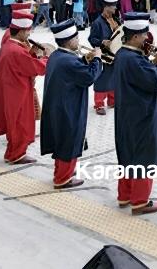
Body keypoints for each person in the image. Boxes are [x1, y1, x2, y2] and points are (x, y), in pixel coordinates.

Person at [113, 12, 157, 214]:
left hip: (127, 114)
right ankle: (140, 201)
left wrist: (152, 63)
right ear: (136, 36)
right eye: (145, 35)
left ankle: (125, 195)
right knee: (144, 157)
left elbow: (142, 76)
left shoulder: (122, 54)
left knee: (127, 154)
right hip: (142, 116)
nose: (147, 38)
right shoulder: (134, 60)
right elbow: (156, 82)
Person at [40, 20, 103, 188]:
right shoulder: (68, 61)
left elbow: (75, 68)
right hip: (69, 108)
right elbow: (89, 77)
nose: (78, 40)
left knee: (62, 141)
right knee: (69, 141)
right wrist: (97, 59)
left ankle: (61, 171)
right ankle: (63, 178)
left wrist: (85, 59)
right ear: (68, 41)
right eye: (76, 38)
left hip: (59, 105)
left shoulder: (57, 56)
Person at [0, 10, 54, 163]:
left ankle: (11, 153)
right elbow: (38, 68)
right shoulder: (16, 51)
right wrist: (47, 57)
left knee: (15, 122)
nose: (29, 33)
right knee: (21, 123)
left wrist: (32, 53)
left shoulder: (10, 45)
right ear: (19, 31)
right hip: (18, 92)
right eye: (27, 31)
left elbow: (24, 64)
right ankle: (16, 155)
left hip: (12, 89)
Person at [89, 0, 120, 114]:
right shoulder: (97, 23)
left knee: (113, 76)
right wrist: (102, 42)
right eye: (113, 6)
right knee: (102, 78)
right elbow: (92, 39)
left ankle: (112, 100)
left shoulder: (115, 19)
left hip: (114, 54)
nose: (115, 8)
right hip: (103, 55)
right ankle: (99, 104)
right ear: (106, 7)